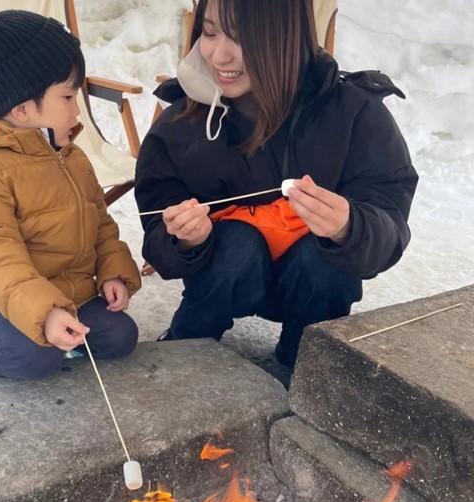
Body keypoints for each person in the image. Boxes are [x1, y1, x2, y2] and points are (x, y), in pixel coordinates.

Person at [134, 0, 418, 370]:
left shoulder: (354, 113)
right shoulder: (181, 122)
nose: (220, 55)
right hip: (223, 279)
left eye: (242, 37)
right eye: (210, 31)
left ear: (286, 37)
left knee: (324, 259)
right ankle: (187, 344)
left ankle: (303, 364)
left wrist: (350, 226)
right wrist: (183, 239)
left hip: (313, 282)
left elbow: (390, 219)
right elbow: (157, 229)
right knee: (238, 242)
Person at [0, 1, 141, 383]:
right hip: (0, 303)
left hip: (72, 295)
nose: (77, 111)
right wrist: (45, 312)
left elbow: (99, 222)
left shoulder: (69, 155)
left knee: (121, 336)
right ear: (22, 109)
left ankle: (62, 337)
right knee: (32, 359)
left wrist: (113, 271)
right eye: (67, 98)